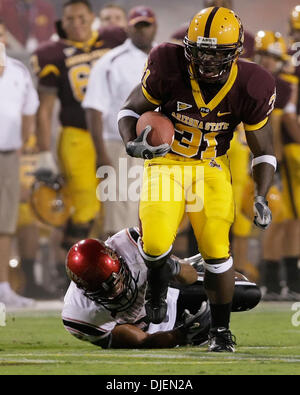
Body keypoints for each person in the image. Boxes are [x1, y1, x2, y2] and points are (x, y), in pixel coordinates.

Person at [118, 6, 276, 352]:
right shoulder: (167, 62)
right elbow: (130, 110)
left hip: (211, 166)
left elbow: (263, 149)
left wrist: (262, 195)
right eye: (201, 50)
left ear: (235, 53)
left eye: (216, 53)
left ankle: (220, 330)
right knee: (156, 242)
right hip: (167, 163)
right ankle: (157, 294)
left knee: (217, 249)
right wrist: (134, 143)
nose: (206, 59)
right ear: (189, 46)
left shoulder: (253, 83)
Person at [31, 0, 127, 256]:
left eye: (82, 18)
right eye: (70, 19)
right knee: (86, 206)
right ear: (62, 23)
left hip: (111, 135)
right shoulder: (52, 53)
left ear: (92, 18)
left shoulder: (113, 39)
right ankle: (73, 274)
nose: (77, 24)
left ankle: (110, 275)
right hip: (77, 137)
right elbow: (45, 109)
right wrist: (43, 153)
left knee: (112, 207)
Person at [62, 227, 261, 349]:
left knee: (248, 293)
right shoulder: (79, 314)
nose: (117, 291)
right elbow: (140, 341)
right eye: (105, 290)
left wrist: (174, 268)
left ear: (119, 259)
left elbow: (187, 278)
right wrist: (182, 335)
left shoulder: (130, 243)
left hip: (168, 293)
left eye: (118, 280)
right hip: (156, 327)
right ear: (85, 290)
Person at [83, 6, 157, 238]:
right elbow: (94, 108)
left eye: (147, 25)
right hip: (121, 144)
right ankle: (120, 271)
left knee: (153, 212)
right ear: (128, 28)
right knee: (120, 215)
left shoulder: (165, 58)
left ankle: (149, 272)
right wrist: (101, 153)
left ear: (155, 27)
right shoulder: (110, 61)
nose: (143, 31)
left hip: (159, 146)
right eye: (138, 26)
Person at [0, 19, 40, 307]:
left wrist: (24, 145)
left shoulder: (18, 71)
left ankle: (3, 287)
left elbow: (29, 111)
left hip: (8, 155)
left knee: (5, 223)